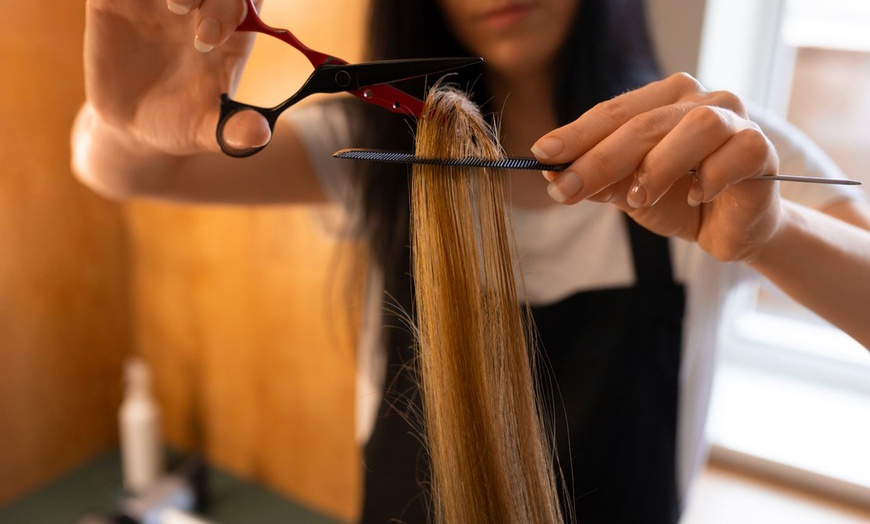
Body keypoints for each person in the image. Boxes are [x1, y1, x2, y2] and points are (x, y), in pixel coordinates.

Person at [73, 0, 870, 522]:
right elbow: (124, 169)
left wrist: (772, 235)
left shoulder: (708, 153)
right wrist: (133, 116)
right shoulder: (361, 152)